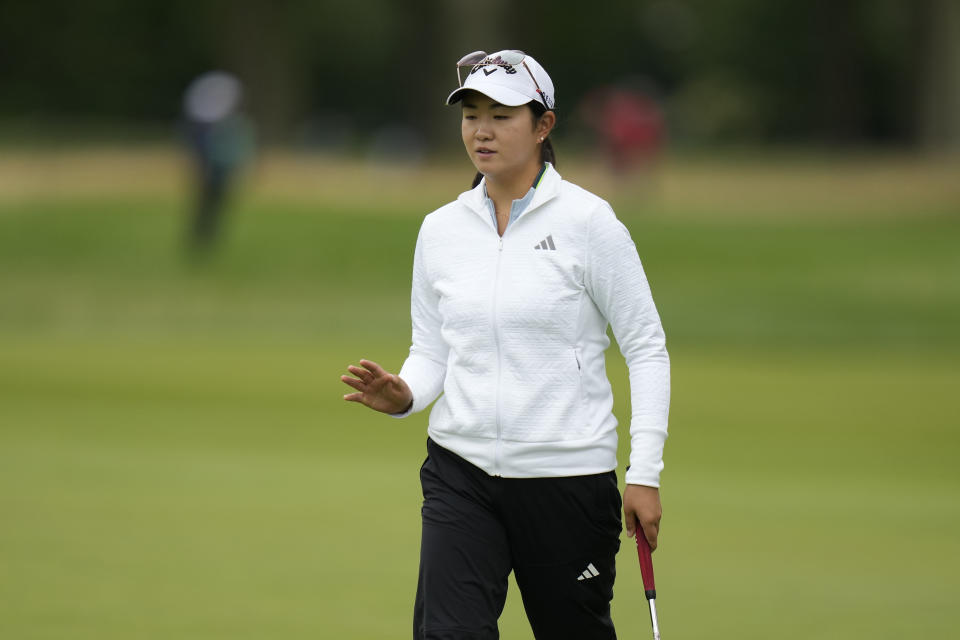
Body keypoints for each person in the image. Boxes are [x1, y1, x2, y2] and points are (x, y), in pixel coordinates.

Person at [341, 50, 670, 639]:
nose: (482, 130)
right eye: (471, 115)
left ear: (543, 126)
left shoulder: (589, 223)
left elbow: (645, 347)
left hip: (567, 480)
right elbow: (435, 349)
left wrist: (644, 472)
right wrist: (407, 393)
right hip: (459, 472)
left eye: (501, 115)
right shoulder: (441, 230)